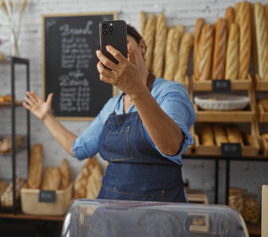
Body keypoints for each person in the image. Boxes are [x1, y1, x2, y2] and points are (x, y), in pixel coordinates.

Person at [23, 24, 196, 202]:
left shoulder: (171, 92)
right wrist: (47, 117)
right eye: (110, 50)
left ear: (141, 45)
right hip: (110, 213)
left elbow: (171, 145)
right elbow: (78, 148)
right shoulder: (112, 106)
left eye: (124, 44)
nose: (118, 54)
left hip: (160, 215)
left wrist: (136, 89)